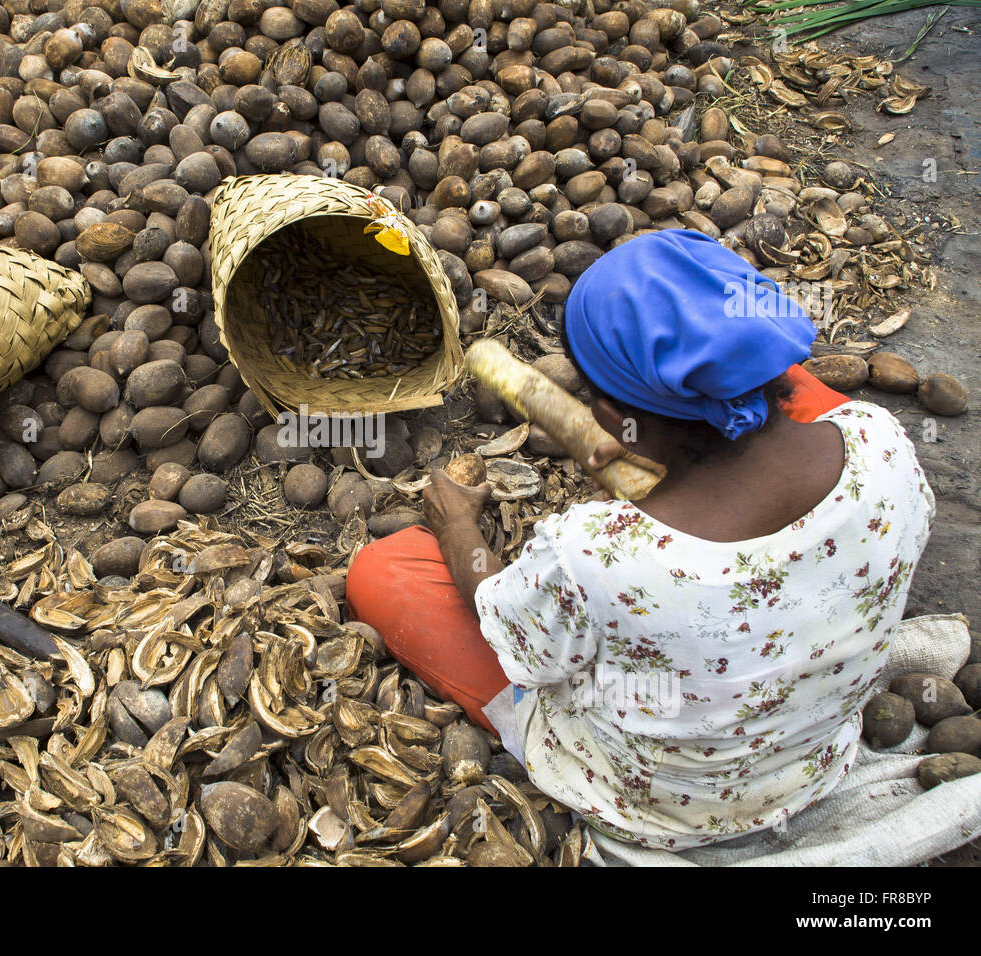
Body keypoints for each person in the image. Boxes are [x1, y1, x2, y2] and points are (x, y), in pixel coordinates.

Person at [346, 230, 936, 849]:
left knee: (383, 571)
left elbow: (501, 613)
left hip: (646, 803)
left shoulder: (594, 553)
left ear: (615, 421)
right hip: (812, 763)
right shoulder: (881, 441)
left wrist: (456, 526)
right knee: (810, 396)